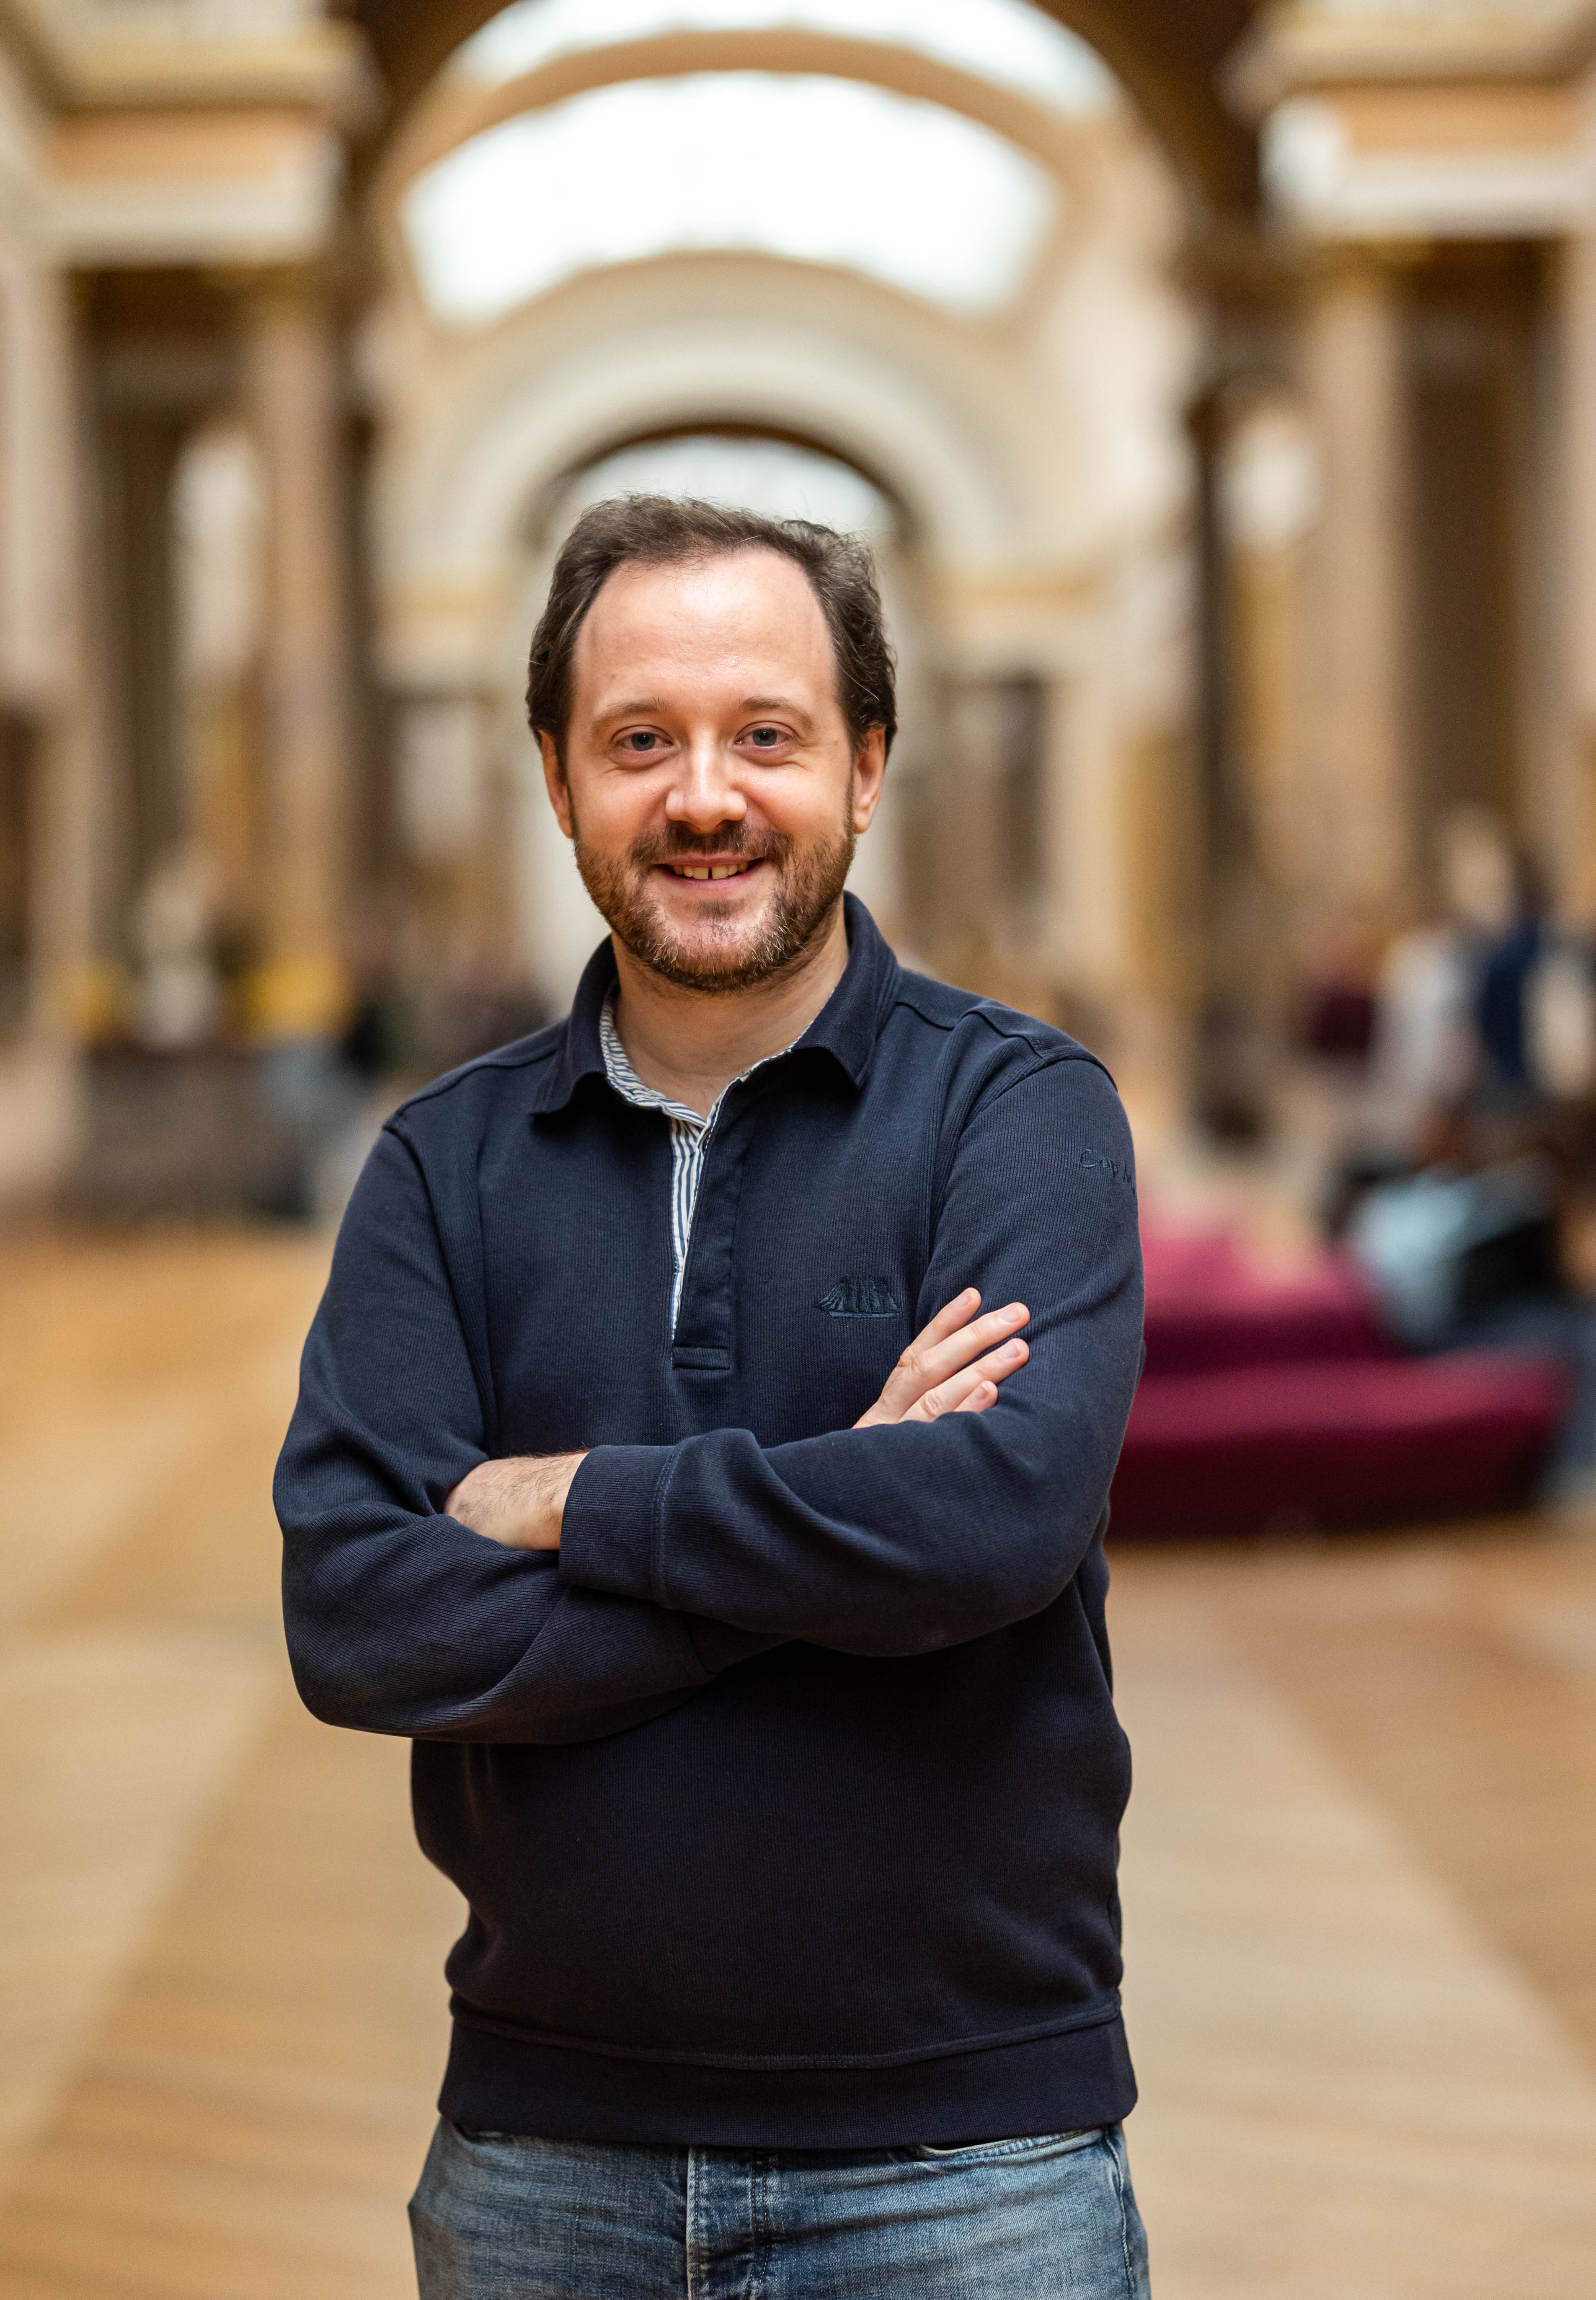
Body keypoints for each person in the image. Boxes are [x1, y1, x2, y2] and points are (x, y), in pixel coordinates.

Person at [274, 496, 1149, 2298]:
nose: (702, 796)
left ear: (866, 764)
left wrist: (573, 1500)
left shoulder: (1019, 1110)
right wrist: (844, 1523)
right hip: (540, 2155)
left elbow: (992, 1520)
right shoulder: (440, 1167)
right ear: (553, 774)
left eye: (766, 733)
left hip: (969, 2162)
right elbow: (360, 1617)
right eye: (638, 741)